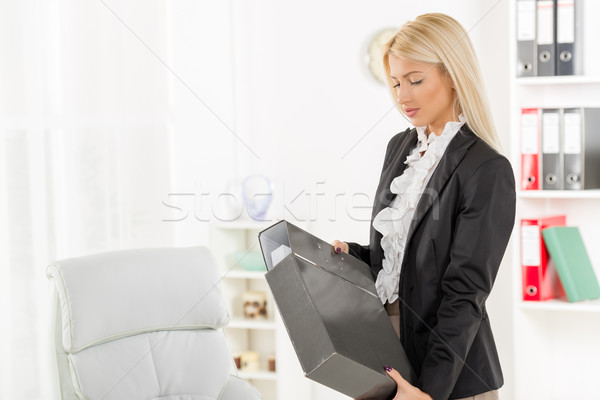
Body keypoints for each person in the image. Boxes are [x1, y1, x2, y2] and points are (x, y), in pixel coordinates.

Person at [331, 13, 515, 400]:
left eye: (416, 80)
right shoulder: (400, 147)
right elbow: (403, 262)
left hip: (449, 376)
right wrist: (357, 257)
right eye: (396, 83)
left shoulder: (487, 170)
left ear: (452, 74)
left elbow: (465, 293)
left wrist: (429, 393)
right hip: (389, 359)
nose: (403, 96)